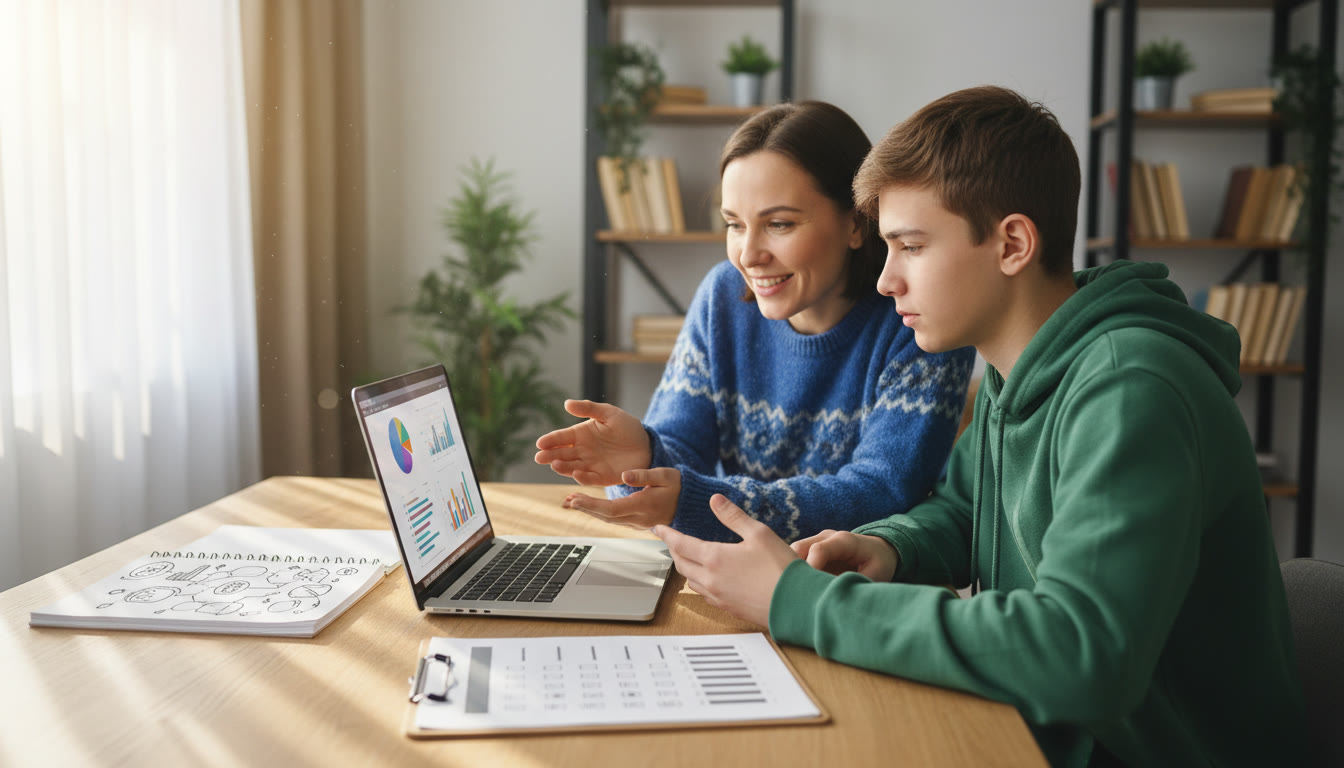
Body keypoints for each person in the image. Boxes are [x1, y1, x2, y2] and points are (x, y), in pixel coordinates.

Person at [653, 86, 1307, 767]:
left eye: (910, 246)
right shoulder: (1017, 365)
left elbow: (1079, 655)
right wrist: (889, 547)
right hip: (1030, 733)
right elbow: (967, 507)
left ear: (1013, 244)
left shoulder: (1130, 388)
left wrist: (800, 602)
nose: (885, 281)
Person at [535, 101, 974, 543]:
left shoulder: (919, 320)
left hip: (858, 596)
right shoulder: (724, 295)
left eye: (779, 224)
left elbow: (881, 493)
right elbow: (680, 455)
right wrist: (645, 457)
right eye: (734, 224)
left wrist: (696, 502)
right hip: (731, 577)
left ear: (856, 222)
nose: (748, 255)